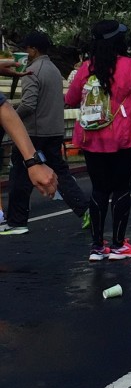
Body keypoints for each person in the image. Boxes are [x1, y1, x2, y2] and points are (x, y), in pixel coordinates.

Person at [64, 20, 131, 262]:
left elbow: (72, 98)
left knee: (99, 190)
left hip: (91, 138)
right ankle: (117, 244)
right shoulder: (129, 66)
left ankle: (97, 246)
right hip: (123, 139)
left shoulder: (87, 67)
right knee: (122, 190)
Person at [2, 31, 90, 236]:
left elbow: (29, 104)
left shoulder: (32, 71)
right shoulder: (53, 69)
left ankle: (17, 221)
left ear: (33, 49)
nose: (25, 52)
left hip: (33, 131)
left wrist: (11, 116)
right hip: (54, 129)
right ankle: (85, 209)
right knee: (61, 173)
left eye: (26, 49)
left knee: (19, 176)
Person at [0, 91, 58, 225]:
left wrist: (33, 160)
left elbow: (5, 107)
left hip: (36, 131)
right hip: (50, 130)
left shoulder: (32, 75)